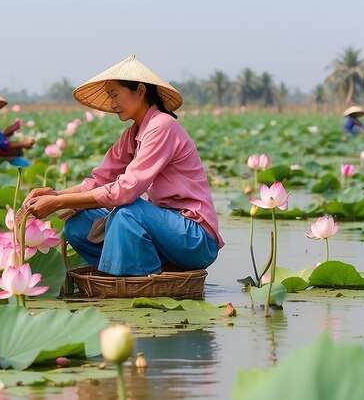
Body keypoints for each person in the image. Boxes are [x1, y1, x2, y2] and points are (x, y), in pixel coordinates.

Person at [24, 55, 224, 276]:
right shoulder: (132, 135)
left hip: (194, 237)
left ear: (140, 91)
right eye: (110, 96)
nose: (112, 104)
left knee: (127, 210)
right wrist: (55, 194)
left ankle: (133, 275)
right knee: (77, 225)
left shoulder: (163, 126)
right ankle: (146, 269)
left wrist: (58, 202)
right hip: (162, 232)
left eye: (116, 95)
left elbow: (125, 191)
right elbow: (98, 182)